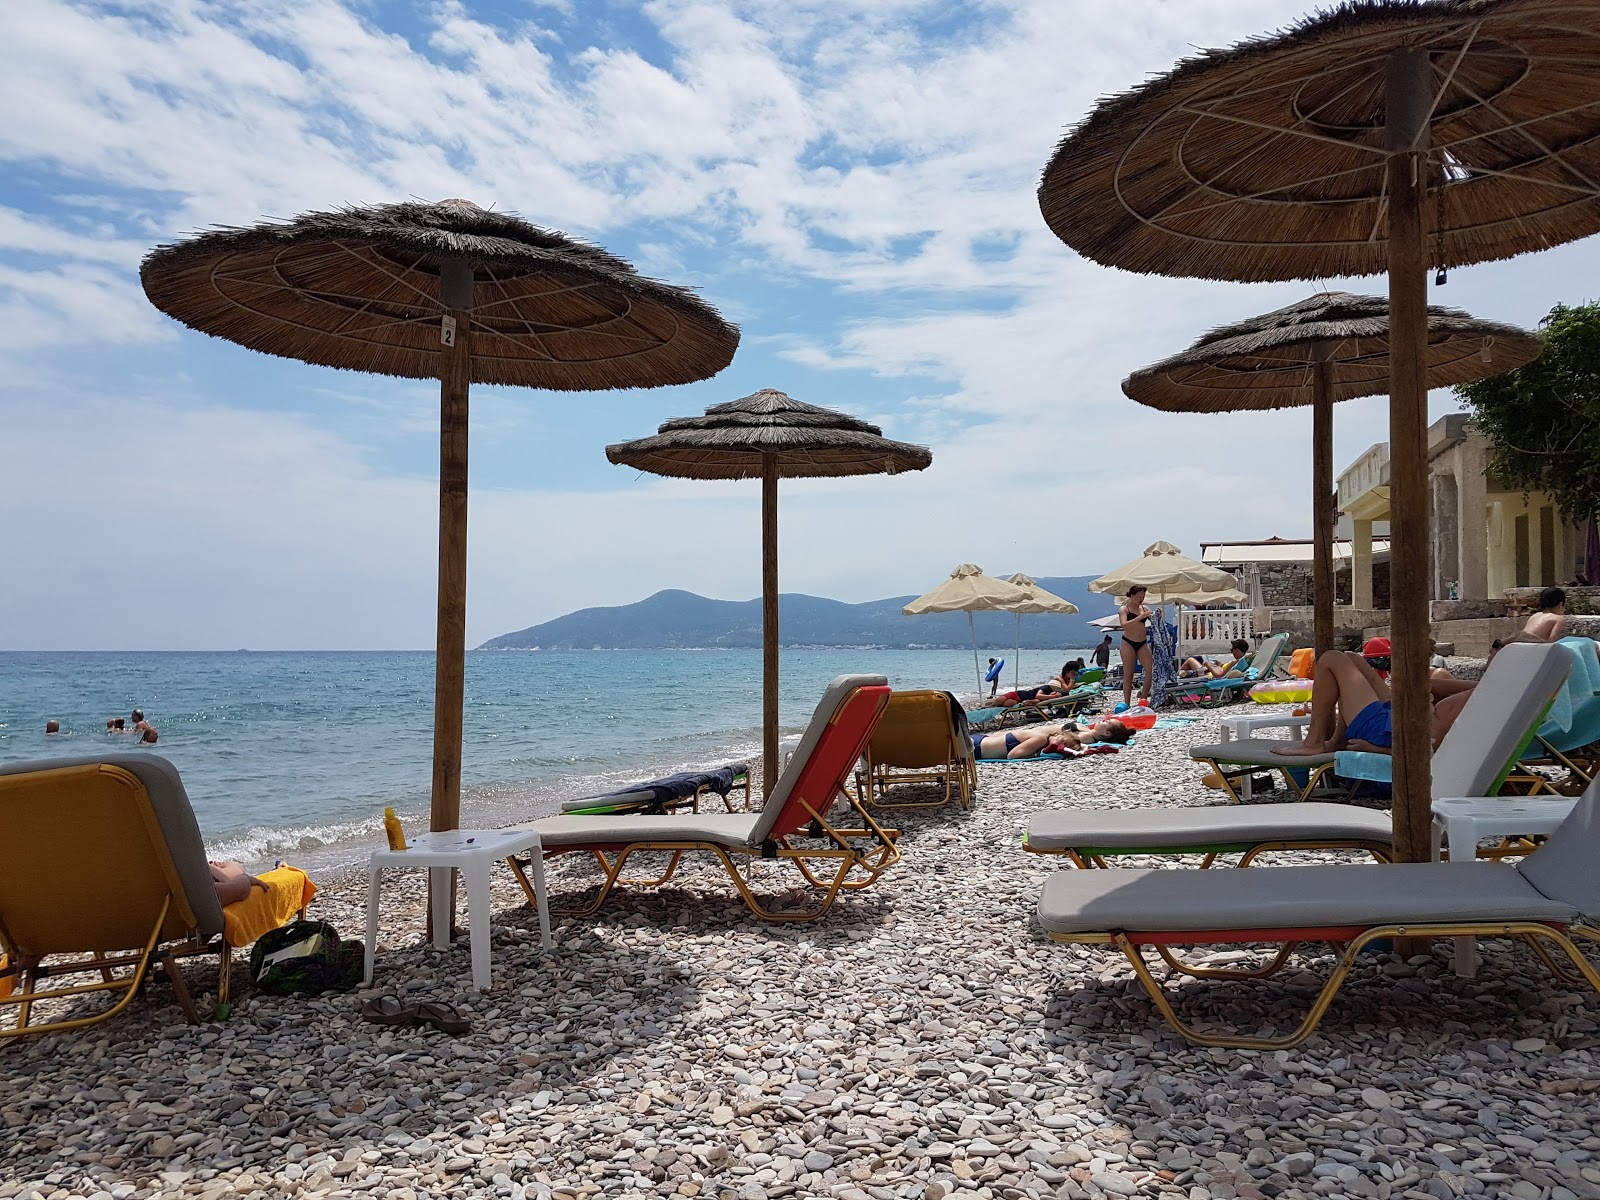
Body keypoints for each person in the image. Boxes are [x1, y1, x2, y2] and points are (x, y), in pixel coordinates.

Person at [971, 718, 1132, 759]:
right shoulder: (1041, 739)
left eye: (1106, 722)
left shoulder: (1085, 736)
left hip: (976, 747)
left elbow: (1012, 755)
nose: (1103, 720)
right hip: (978, 744)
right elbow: (1012, 755)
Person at [1118, 585, 1155, 708]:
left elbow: (1154, 621)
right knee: (1129, 674)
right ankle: (1127, 703)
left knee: (1150, 671)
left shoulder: (1144, 608)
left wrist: (1155, 616)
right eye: (1139, 597)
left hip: (1142, 642)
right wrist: (1140, 617)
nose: (1141, 599)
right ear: (1132, 595)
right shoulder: (1125, 609)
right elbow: (1124, 625)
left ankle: (1143, 699)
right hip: (1128, 642)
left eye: (1143, 597)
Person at [1180, 638, 1251, 678]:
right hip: (1213, 672)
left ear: (1237, 650)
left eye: (1232, 650)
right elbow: (1225, 671)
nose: (1232, 652)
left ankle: (1178, 675)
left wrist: (1209, 666)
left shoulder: (1234, 662)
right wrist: (1221, 665)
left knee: (1190, 660)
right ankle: (1181, 673)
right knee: (1190, 665)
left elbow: (1218, 676)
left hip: (1210, 676)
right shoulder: (1241, 662)